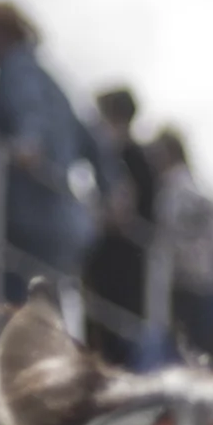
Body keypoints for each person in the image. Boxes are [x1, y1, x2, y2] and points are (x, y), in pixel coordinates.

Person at [0, 0, 96, 302]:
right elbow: (90, 138)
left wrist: (28, 142)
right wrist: (112, 187)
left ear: (0, 34)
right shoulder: (52, 82)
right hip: (60, 221)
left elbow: (29, 116)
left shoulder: (16, 71)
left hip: (25, 218)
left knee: (5, 299)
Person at [146, 127, 213, 370]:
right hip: (193, 286)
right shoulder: (176, 190)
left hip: (197, 288)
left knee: (209, 360)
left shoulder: (180, 192)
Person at [79, 85, 156, 365]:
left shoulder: (128, 158)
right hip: (118, 266)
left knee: (112, 345)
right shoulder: (131, 158)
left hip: (118, 269)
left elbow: (119, 212)